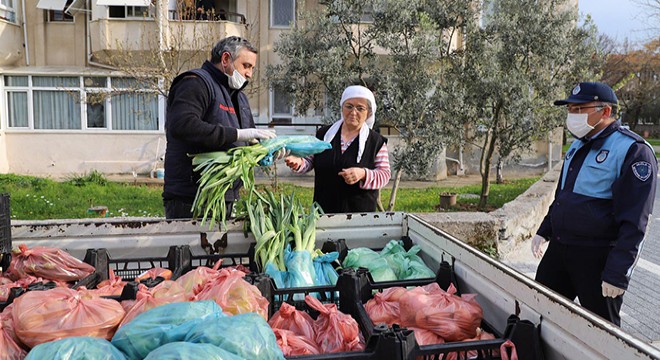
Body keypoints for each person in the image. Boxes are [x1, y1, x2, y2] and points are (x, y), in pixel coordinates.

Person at [531, 82, 657, 326]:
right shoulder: (578, 145)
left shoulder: (633, 151)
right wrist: (544, 230)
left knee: (602, 332)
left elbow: (637, 222)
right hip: (560, 250)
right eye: (570, 110)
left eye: (580, 109)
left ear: (606, 111)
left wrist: (618, 274)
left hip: (597, 259)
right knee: (541, 314)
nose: (573, 116)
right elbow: (563, 196)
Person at [163, 36, 276, 219]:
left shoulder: (239, 97)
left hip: (224, 194)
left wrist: (267, 151)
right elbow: (183, 125)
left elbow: (250, 139)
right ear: (225, 59)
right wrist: (237, 134)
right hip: (192, 196)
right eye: (246, 66)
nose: (249, 74)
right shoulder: (195, 82)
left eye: (252, 68)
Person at [284, 85, 391, 213]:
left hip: (359, 217)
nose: (353, 112)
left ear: (368, 113)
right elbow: (309, 161)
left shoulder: (376, 142)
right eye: (349, 106)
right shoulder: (324, 134)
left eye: (360, 108)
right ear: (342, 107)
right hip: (323, 212)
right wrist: (298, 163)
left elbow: (384, 174)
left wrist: (363, 174)